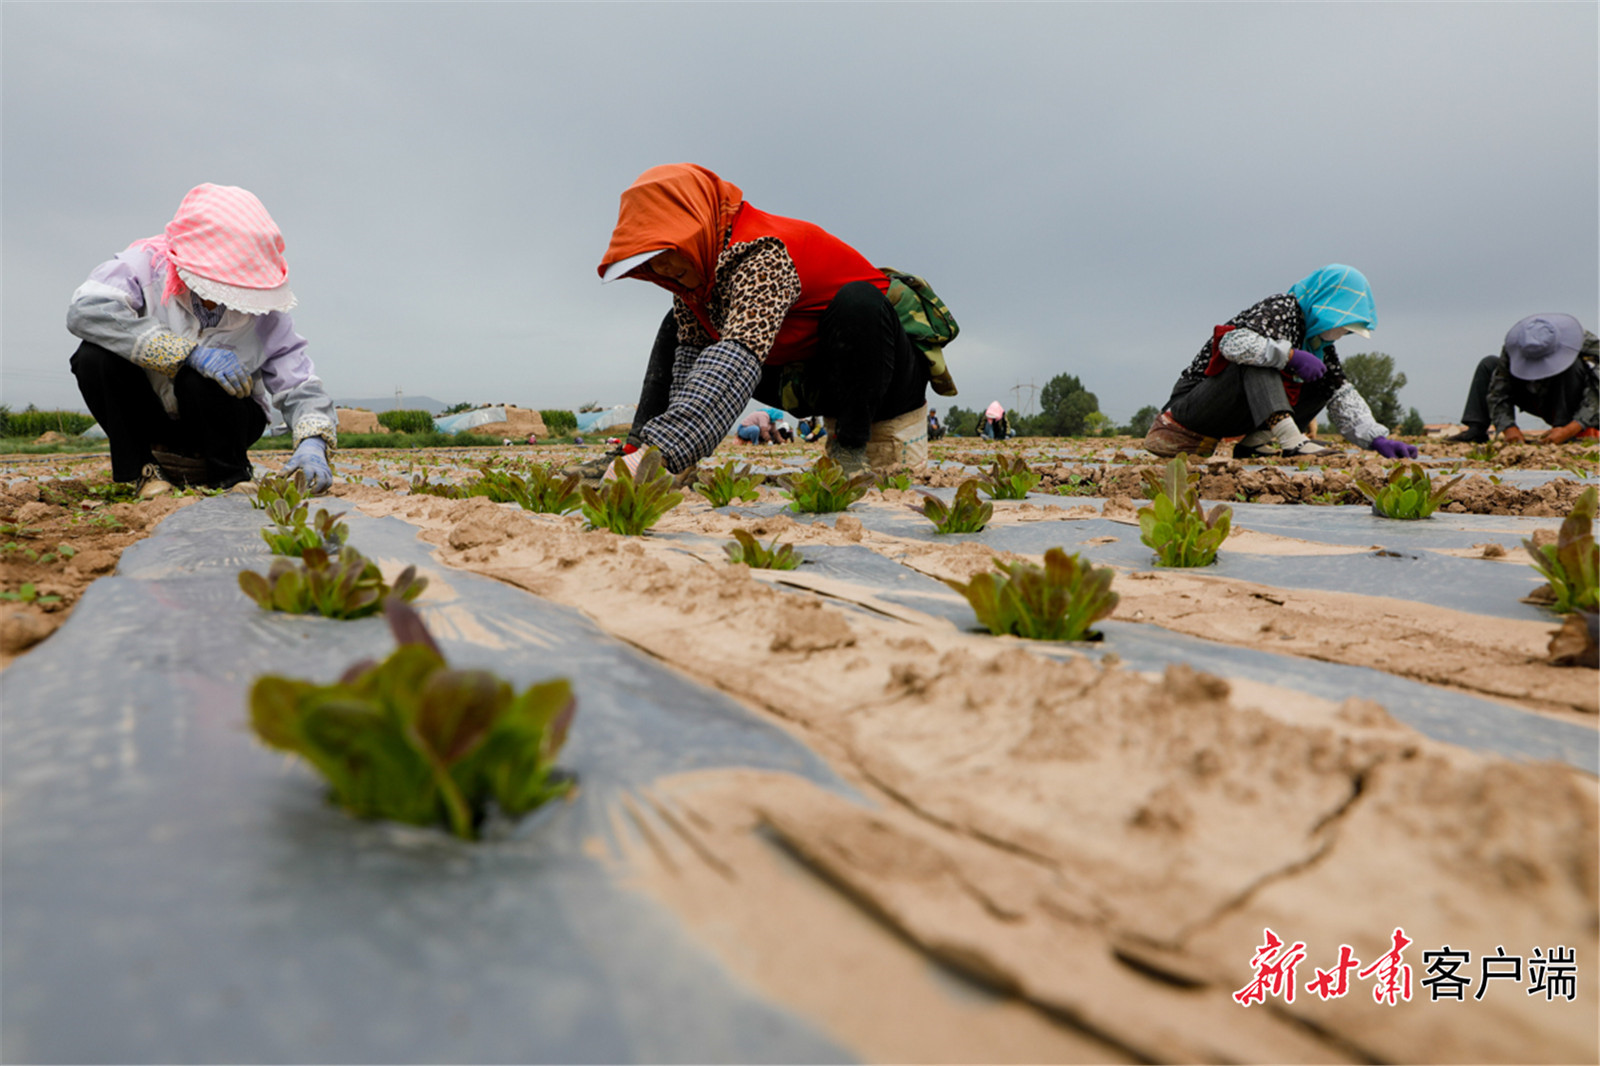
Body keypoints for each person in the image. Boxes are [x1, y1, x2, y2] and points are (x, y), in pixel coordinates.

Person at [593, 164, 932, 479]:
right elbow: (689, 364)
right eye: (650, 259)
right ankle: (634, 448)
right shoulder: (694, 284)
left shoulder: (763, 253)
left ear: (696, 223)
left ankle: (849, 449)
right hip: (811, 379)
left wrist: (664, 452)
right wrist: (649, 458)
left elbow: (736, 358)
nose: (663, 267)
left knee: (858, 302)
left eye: (666, 249)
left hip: (884, 380)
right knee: (677, 328)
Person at [67, 184, 335, 496]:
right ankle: (146, 470)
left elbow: (299, 384)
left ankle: (230, 474)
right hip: (152, 416)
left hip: (225, 420)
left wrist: (313, 441)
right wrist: (182, 352)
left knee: (200, 380)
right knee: (93, 357)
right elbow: (86, 312)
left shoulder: (265, 313)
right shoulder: (142, 267)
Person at [1143, 265, 1417, 461]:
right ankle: (1291, 440)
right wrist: (1289, 356)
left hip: (1229, 420)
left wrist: (1376, 438)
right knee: (1260, 358)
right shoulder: (1283, 308)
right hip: (1192, 411)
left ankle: (1255, 443)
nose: (1343, 333)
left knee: (1325, 382)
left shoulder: (1317, 344)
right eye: (1344, 325)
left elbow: (1341, 392)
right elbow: (1233, 345)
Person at [1449, 314, 1598, 444]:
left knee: (1574, 366)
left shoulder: (1583, 342)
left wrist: (1571, 428)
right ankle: (1476, 430)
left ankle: (1561, 428)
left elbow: (1596, 393)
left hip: (1576, 401)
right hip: (1536, 394)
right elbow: (1498, 390)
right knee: (1488, 364)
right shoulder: (1514, 347)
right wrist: (1508, 428)